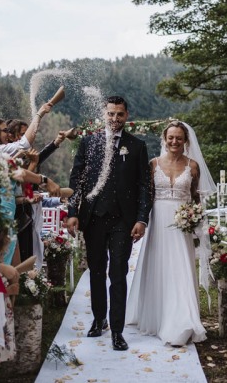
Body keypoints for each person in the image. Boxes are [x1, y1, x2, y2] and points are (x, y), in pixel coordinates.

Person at [66, 95, 152, 351]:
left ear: (127, 116)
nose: (115, 119)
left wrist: (141, 218)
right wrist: (73, 211)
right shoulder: (88, 143)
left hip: (123, 222)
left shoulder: (136, 146)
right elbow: (77, 180)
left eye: (120, 114)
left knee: (118, 271)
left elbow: (144, 186)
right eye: (111, 114)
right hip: (93, 218)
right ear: (103, 115)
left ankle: (117, 330)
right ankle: (98, 318)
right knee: (96, 271)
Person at [126, 121, 214, 345]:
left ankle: (183, 319)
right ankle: (157, 314)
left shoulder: (193, 166)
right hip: (159, 221)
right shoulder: (153, 164)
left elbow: (195, 197)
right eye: (171, 138)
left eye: (179, 138)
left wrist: (193, 218)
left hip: (181, 222)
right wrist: (141, 221)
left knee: (181, 268)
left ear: (186, 141)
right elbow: (146, 196)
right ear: (164, 139)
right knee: (159, 265)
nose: (174, 142)